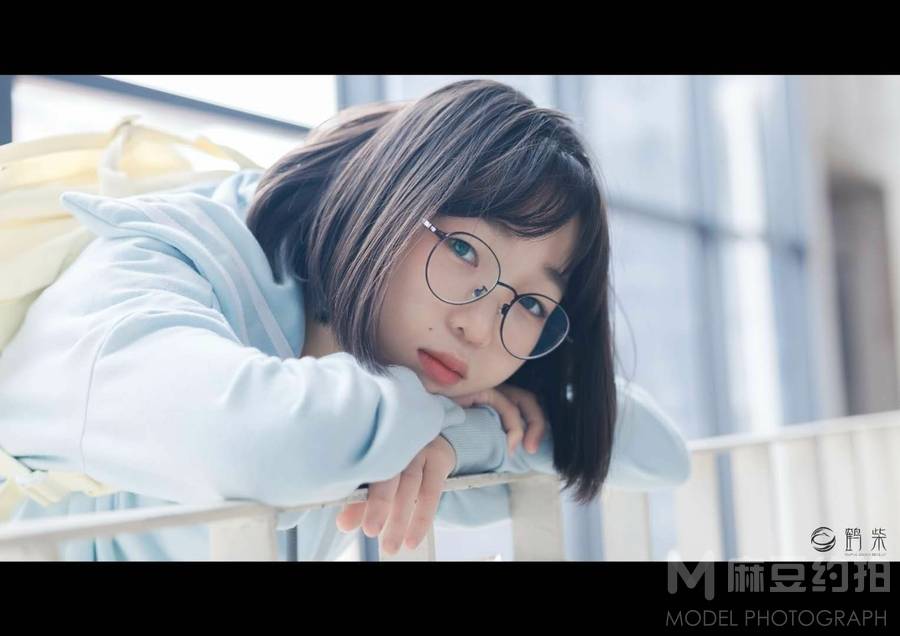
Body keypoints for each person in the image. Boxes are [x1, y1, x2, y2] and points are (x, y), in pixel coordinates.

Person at [0, 79, 689, 561]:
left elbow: (650, 450)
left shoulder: (374, 377)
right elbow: (262, 442)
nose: (481, 329)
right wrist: (441, 415)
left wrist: (458, 438)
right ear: (393, 196)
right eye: (462, 250)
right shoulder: (144, 270)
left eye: (531, 304)